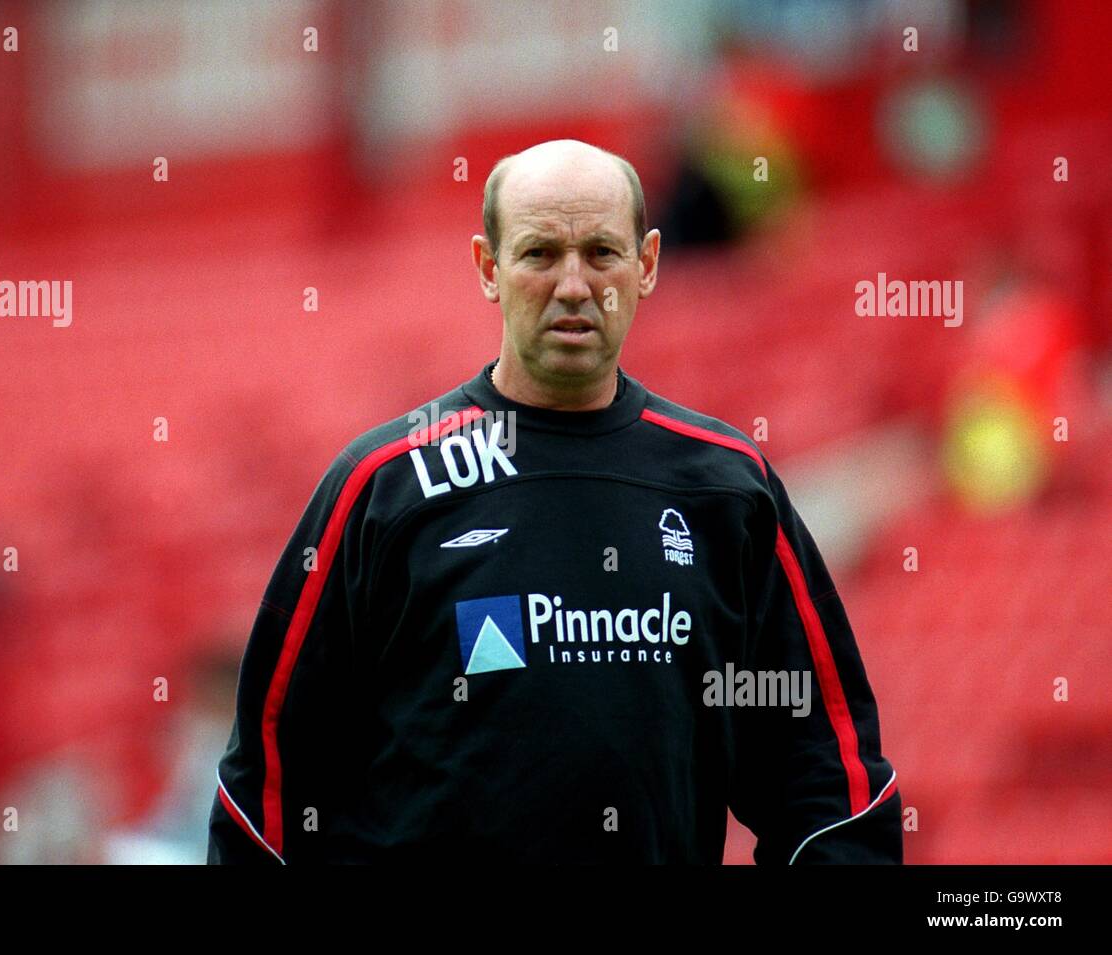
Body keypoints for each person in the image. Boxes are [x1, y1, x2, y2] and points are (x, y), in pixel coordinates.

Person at [207, 139, 901, 864]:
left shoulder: (727, 492)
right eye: (540, 254)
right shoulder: (386, 489)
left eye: (602, 252)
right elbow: (269, 796)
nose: (574, 285)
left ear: (648, 264)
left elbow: (832, 789)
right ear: (488, 269)